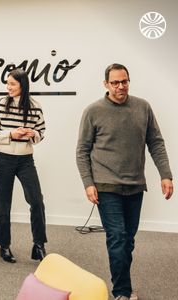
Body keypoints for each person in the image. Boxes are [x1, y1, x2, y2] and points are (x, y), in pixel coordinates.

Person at [76, 63, 173, 300]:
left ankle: (122, 283)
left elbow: (156, 143)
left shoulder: (143, 108)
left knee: (128, 240)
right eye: (116, 82)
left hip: (135, 185)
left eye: (125, 81)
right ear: (106, 84)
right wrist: (88, 183)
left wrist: (166, 174)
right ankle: (122, 292)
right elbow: (82, 151)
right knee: (117, 237)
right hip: (106, 186)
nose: (121, 86)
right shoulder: (93, 111)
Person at [0, 68, 47, 263]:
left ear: (23, 85)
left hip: (25, 161)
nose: (8, 87)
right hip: (4, 159)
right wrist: (11, 134)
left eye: (12, 83)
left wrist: (33, 134)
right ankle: (4, 246)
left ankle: (39, 245)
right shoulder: (1, 104)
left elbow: (41, 131)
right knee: (4, 204)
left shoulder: (35, 106)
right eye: (7, 83)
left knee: (36, 201)